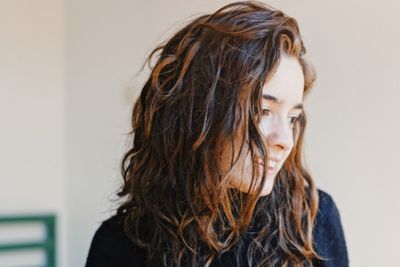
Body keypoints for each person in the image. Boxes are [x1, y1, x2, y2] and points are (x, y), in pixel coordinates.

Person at [85, 1, 349, 266]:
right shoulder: (120, 243)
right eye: (262, 111)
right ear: (199, 113)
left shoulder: (312, 221)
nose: (285, 140)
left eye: (293, 118)